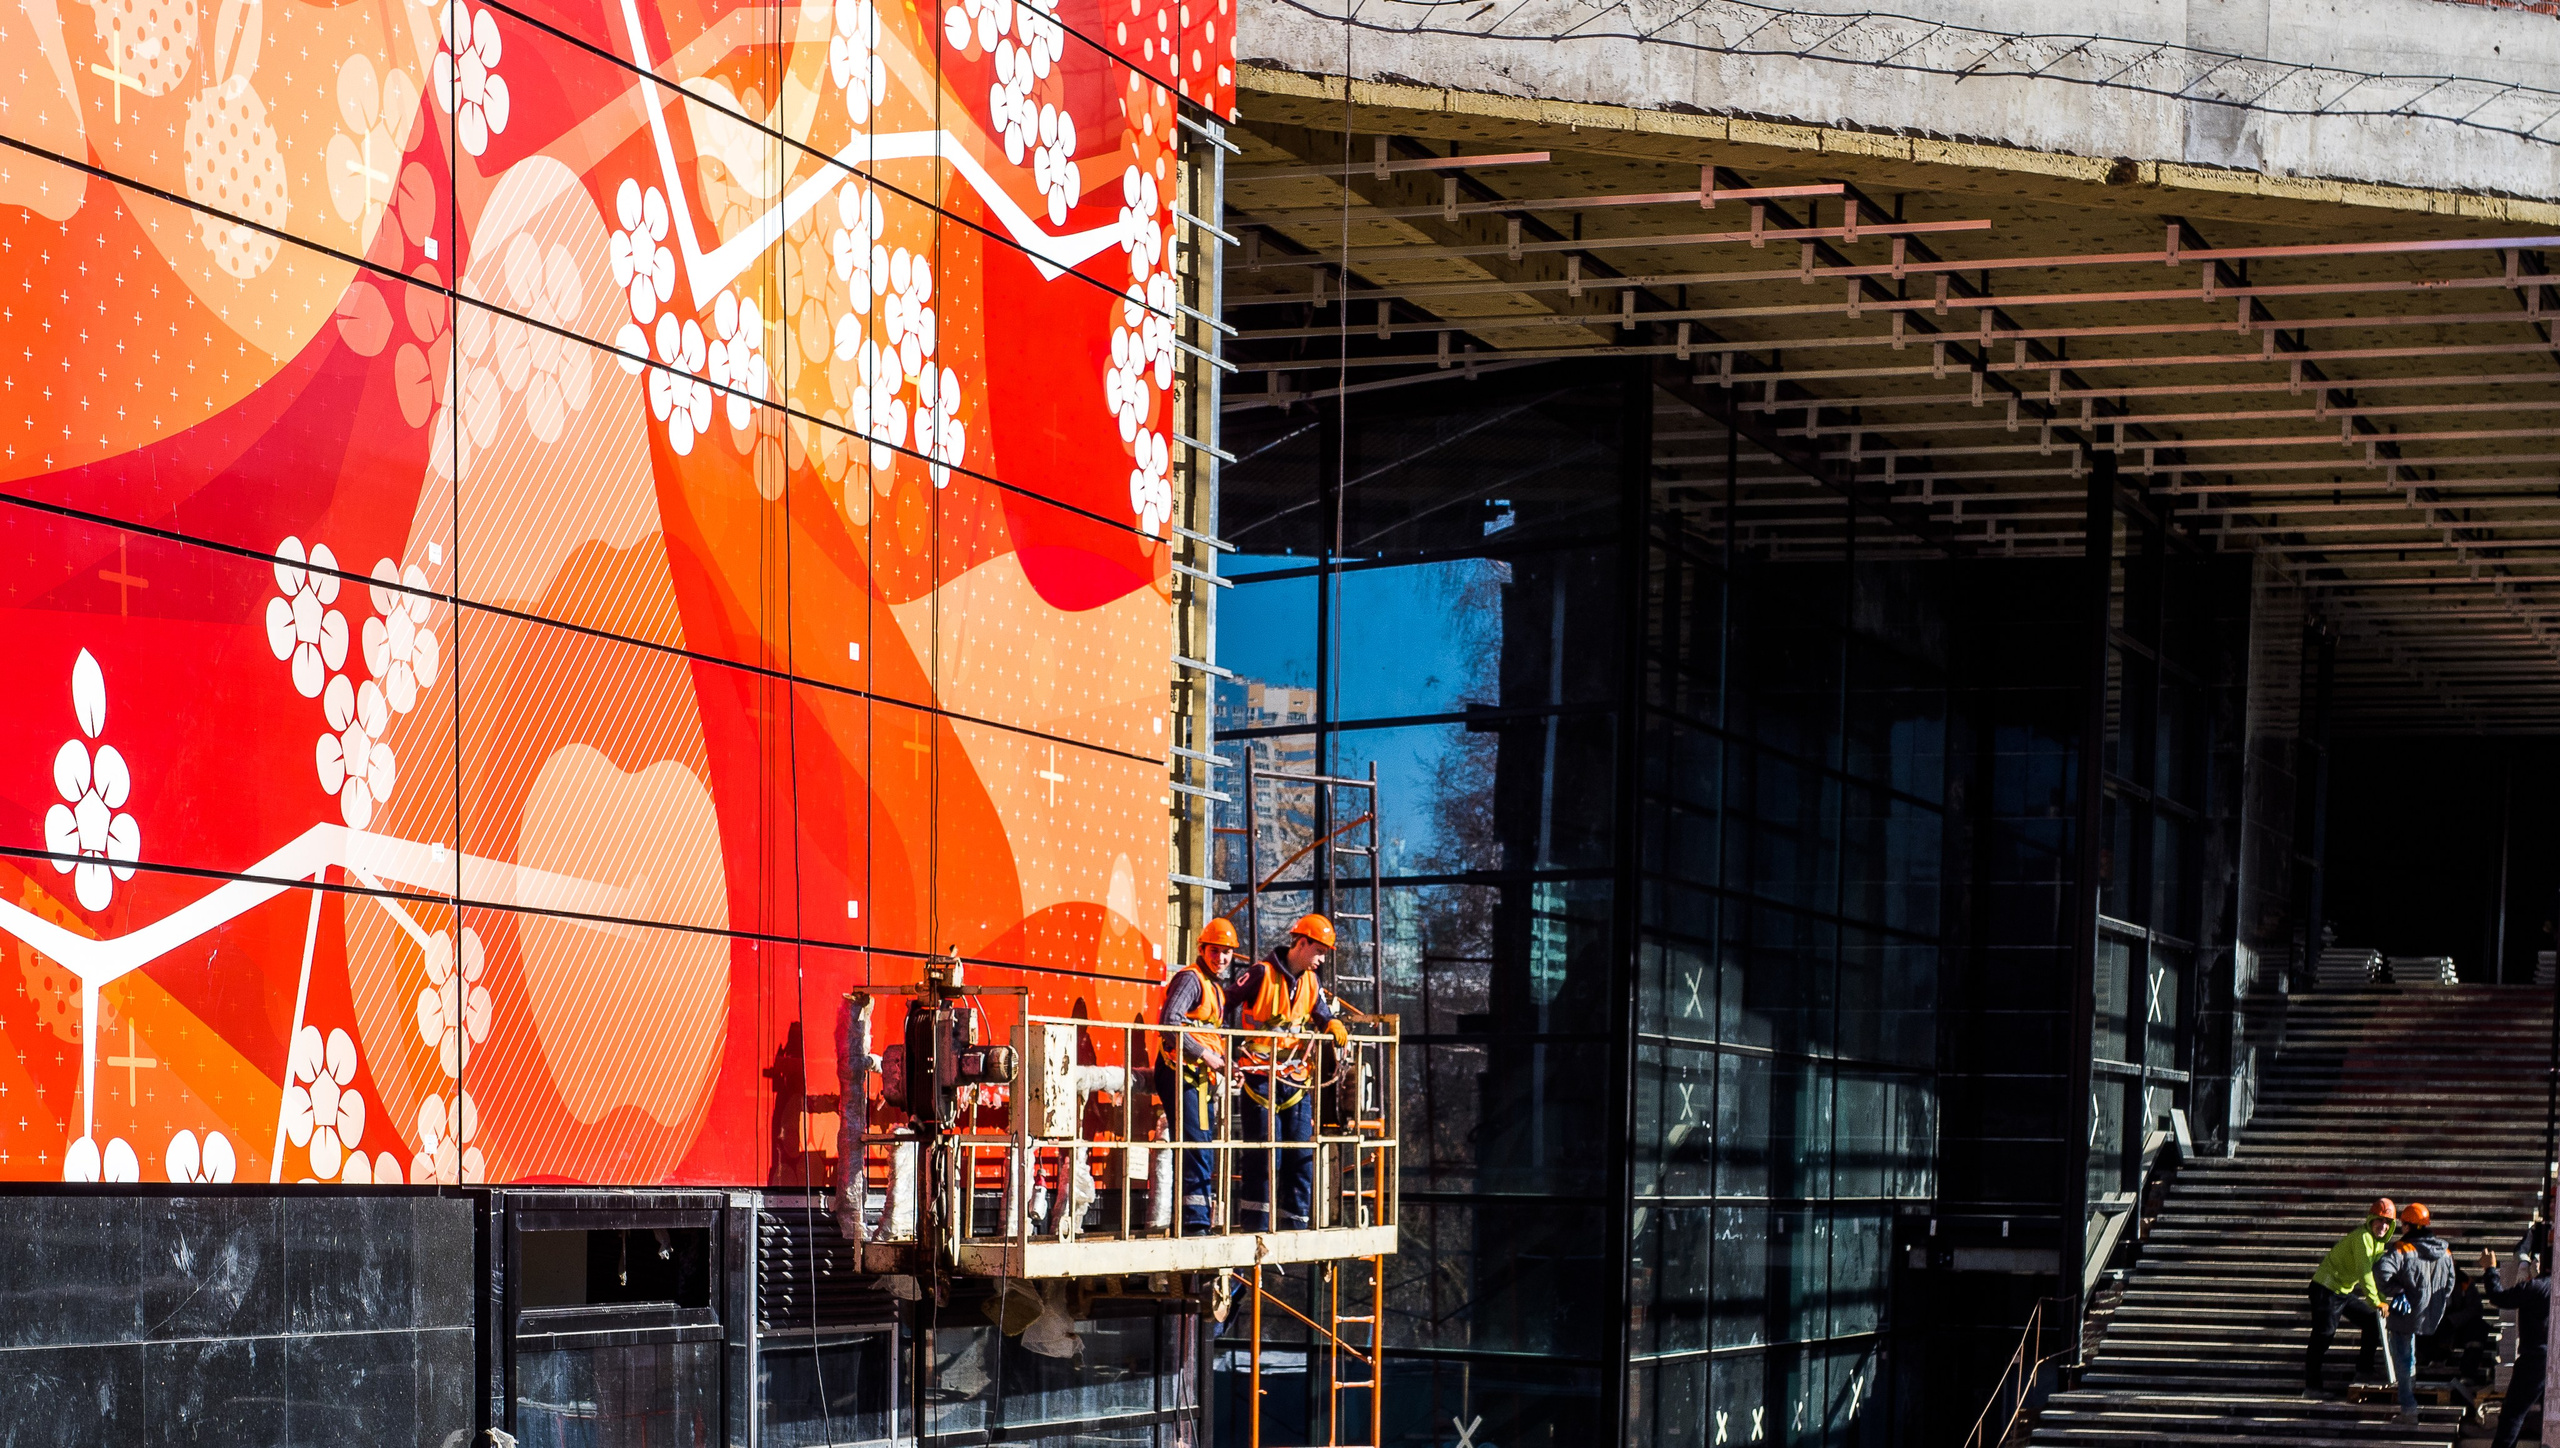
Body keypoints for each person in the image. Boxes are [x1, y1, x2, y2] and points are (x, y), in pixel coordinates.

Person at [1228, 913, 1356, 1233]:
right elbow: (1224, 1002)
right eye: (1319, 950)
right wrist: (1223, 1048)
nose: (1322, 958)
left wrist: (1331, 1023)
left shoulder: (1312, 982)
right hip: (1259, 1076)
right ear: (1302, 943)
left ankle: (1294, 1224)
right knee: (1264, 1157)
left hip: (1295, 1079)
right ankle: (1256, 1226)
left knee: (1300, 1155)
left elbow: (1321, 1013)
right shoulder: (1261, 973)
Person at [1153, 917, 1239, 1235]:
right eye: (1215, 951)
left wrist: (1226, 1065)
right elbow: (1171, 1021)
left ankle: (1198, 1218)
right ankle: (1195, 1224)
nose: (1221, 958)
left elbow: (1208, 1036)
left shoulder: (1213, 987)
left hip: (1197, 1076)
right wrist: (1207, 1057)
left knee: (1201, 1144)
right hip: (1181, 1071)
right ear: (1202, 949)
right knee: (1196, 1145)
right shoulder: (1191, 979)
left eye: (1226, 953)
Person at [2304, 1198, 2399, 1398]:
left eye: (2387, 1223)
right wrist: (2375, 1302)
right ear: (2371, 1220)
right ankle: (2312, 1387)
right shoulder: (2363, 1237)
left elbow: (2374, 1275)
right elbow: (2364, 1273)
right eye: (2379, 1221)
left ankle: (2364, 1371)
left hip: (2343, 1292)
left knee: (2373, 1322)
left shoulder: (2377, 1245)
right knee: (2323, 1335)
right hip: (2326, 1288)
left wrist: (2381, 1301)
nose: (2383, 1226)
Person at [2376, 1201, 2455, 1423]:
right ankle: (2408, 1402)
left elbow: (2381, 1272)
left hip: (2404, 1312)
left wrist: (2398, 1290)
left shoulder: (2403, 1248)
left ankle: (2408, 1408)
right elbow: (2449, 1285)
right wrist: (2434, 1302)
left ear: (2408, 1226)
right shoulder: (2445, 1251)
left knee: (2403, 1359)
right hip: (2431, 1314)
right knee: (2408, 1358)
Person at [2482, 1236, 2553, 1448]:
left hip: (2535, 1360)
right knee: (2549, 1420)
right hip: (2553, 1361)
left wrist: (2489, 1269)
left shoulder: (2536, 1288)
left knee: (2513, 1415)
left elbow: (2498, 1297)